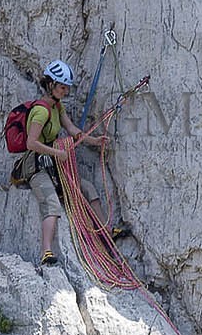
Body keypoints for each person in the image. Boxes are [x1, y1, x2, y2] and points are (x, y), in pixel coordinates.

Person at [19, 59, 126, 266]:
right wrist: (56, 154)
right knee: (50, 202)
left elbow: (72, 129)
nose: (65, 91)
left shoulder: (57, 107)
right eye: (62, 87)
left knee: (87, 188)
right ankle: (46, 251)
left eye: (67, 88)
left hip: (54, 165)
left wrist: (93, 141)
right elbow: (31, 143)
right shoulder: (41, 111)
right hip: (37, 167)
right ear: (50, 84)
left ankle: (106, 231)